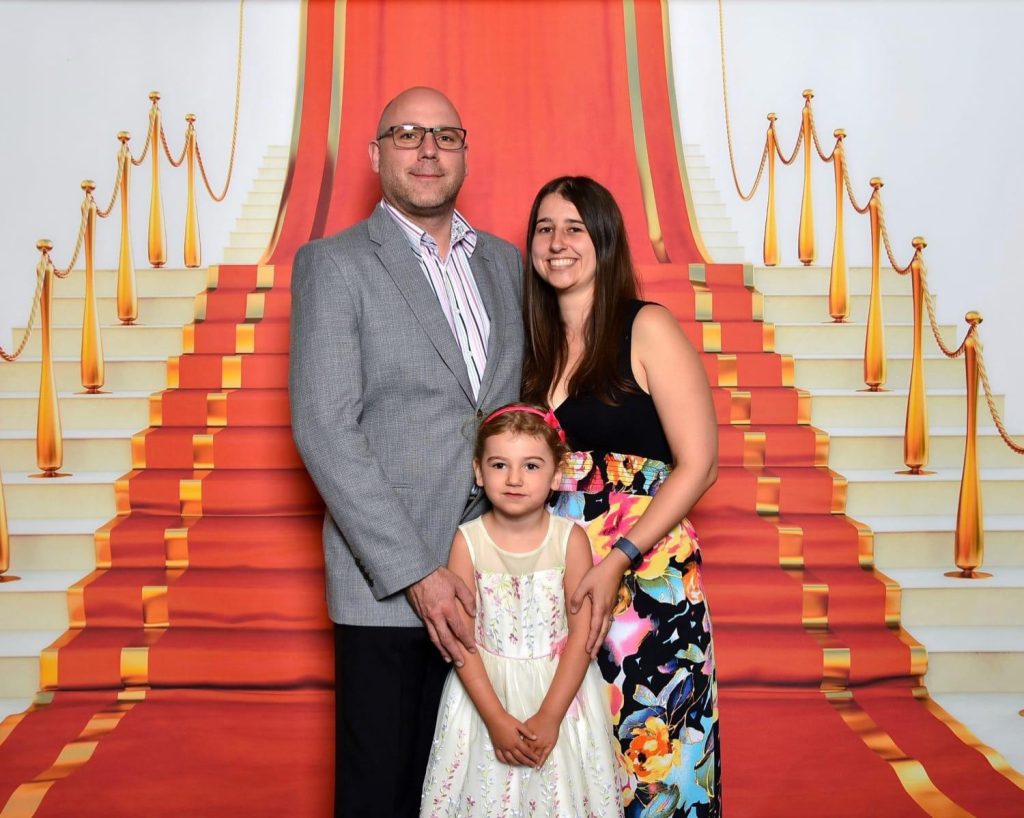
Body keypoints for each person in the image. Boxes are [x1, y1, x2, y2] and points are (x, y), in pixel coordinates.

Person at [289, 87, 524, 818]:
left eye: (446, 136)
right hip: (390, 589)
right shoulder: (335, 264)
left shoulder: (506, 265)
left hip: (498, 583)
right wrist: (416, 572)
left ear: (464, 154)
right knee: (384, 792)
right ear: (376, 154)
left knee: (485, 792)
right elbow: (325, 427)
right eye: (408, 134)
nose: (428, 149)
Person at [522, 176, 721, 817]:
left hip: (644, 579)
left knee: (652, 761)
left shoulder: (646, 327)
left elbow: (700, 464)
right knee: (566, 764)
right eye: (544, 228)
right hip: (555, 579)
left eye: (575, 228)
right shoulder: (531, 346)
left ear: (605, 241)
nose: (557, 243)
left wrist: (620, 558)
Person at [420, 405, 623, 818]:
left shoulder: (570, 540)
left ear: (555, 474)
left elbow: (584, 638)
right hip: (484, 694)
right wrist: (494, 718)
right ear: (479, 471)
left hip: (560, 694)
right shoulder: (467, 541)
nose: (514, 478)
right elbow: (464, 641)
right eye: (499, 464)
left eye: (531, 465)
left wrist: (550, 716)